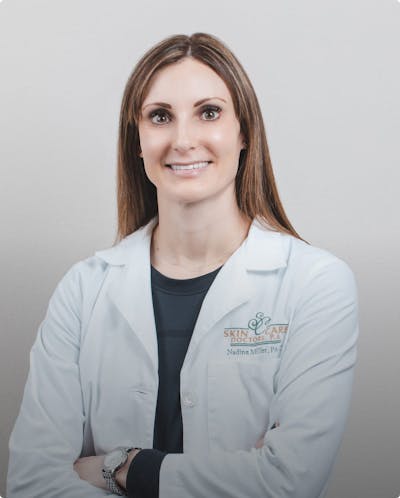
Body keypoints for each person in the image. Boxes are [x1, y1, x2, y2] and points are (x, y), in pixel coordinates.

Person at [7, 32, 359, 498]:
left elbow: (288, 482)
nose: (183, 139)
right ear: (137, 140)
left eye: (208, 113)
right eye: (160, 117)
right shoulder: (83, 289)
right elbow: (31, 482)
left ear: (244, 132)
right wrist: (238, 474)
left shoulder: (316, 284)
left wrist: (125, 467)